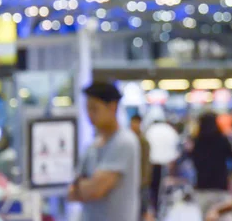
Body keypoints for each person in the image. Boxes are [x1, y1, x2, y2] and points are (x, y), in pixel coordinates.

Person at [68, 82, 140, 221]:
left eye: (95, 109)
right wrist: (84, 187)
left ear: (112, 107)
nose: (90, 115)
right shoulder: (92, 147)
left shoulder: (124, 141)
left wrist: (84, 186)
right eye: (87, 109)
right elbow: (71, 193)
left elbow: (96, 190)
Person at [189, 112, 232, 218]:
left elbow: (193, 161)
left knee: (206, 217)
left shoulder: (197, 142)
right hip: (220, 186)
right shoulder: (223, 140)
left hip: (202, 187)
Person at [145, 117, 180, 212]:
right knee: (163, 188)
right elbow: (176, 149)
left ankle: (154, 208)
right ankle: (159, 208)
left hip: (153, 163)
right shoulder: (169, 130)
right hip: (165, 163)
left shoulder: (151, 130)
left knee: (153, 188)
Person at [130, 114, 152, 221]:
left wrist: (144, 181)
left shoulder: (143, 142)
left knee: (142, 211)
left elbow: (146, 163)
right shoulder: (127, 141)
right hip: (130, 182)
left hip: (141, 182)